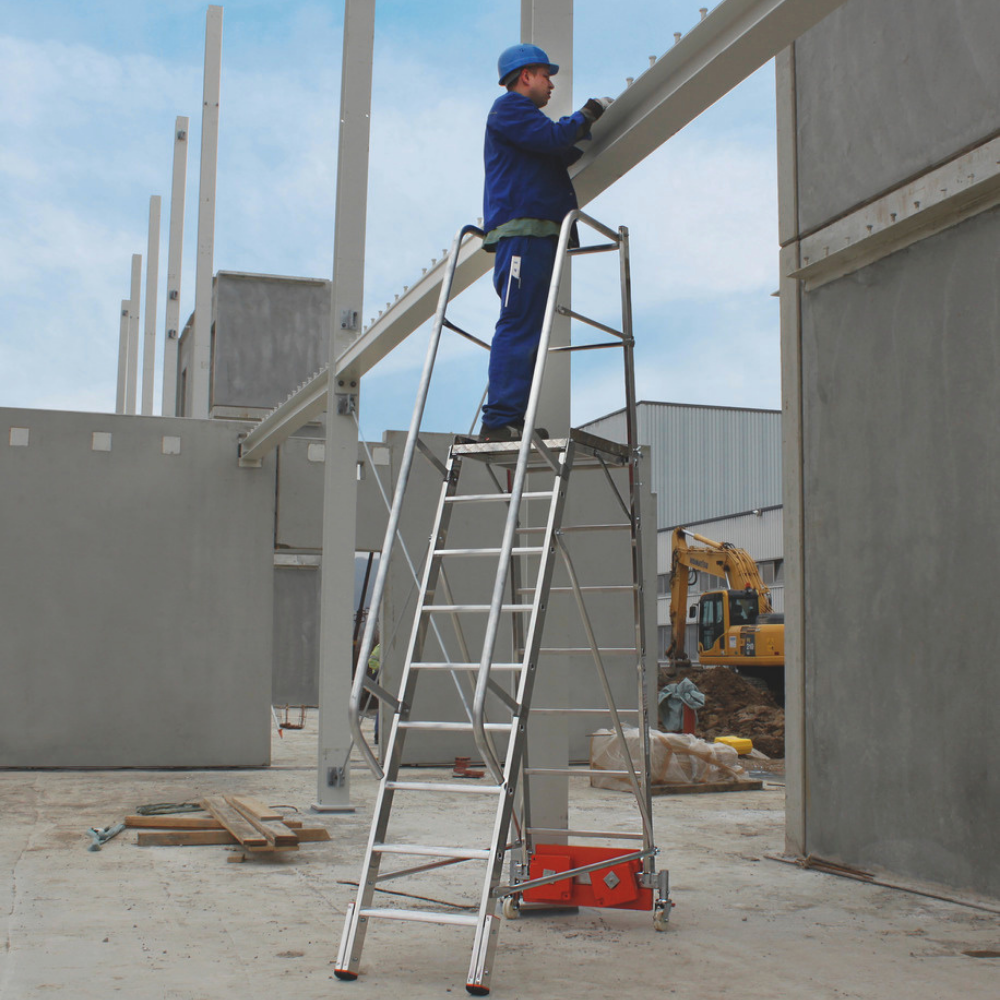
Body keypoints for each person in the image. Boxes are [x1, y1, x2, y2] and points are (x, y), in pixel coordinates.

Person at [479, 44, 612, 442]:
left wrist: (576, 136)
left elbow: (554, 149)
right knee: (519, 322)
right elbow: (555, 139)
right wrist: (588, 114)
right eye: (545, 75)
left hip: (536, 235)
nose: (550, 84)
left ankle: (509, 417)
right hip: (523, 234)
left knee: (529, 327)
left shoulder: (524, 126)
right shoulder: (510, 109)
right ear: (525, 77)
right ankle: (499, 418)